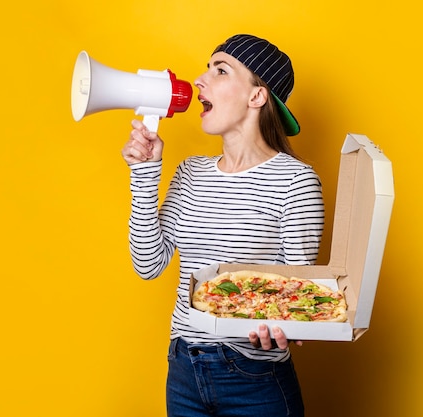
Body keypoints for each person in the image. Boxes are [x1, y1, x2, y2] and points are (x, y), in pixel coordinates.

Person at [121, 34, 324, 417]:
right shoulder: (190, 173)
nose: (199, 80)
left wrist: (285, 328)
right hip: (183, 371)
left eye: (220, 70)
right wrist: (145, 175)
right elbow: (147, 265)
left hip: (254, 378)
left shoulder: (295, 181)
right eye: (207, 67)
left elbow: (298, 297)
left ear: (257, 96)